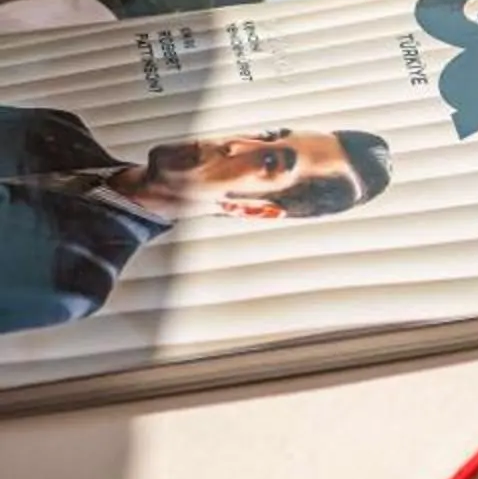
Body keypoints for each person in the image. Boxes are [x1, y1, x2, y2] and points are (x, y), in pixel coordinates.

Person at [0, 115, 393, 336]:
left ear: (254, 210)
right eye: (266, 136)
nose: (236, 144)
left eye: (269, 162)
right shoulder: (56, 127)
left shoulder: (69, 283)